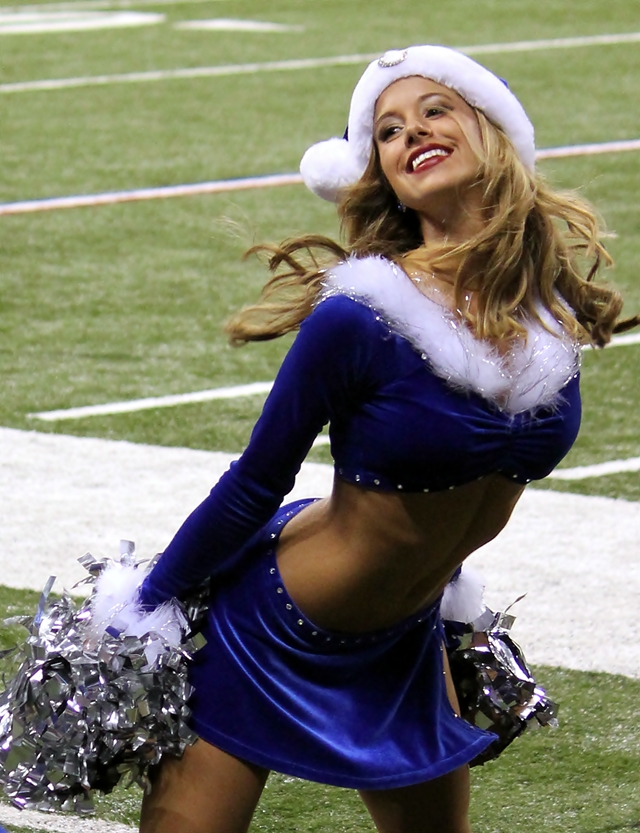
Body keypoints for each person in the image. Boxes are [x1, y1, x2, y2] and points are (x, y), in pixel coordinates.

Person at [136, 45, 637, 833]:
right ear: (383, 173)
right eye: (388, 130)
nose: (412, 133)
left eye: (436, 110)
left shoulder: (546, 318)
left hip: (402, 646)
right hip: (265, 636)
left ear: (494, 135)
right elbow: (253, 483)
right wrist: (141, 614)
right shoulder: (359, 316)